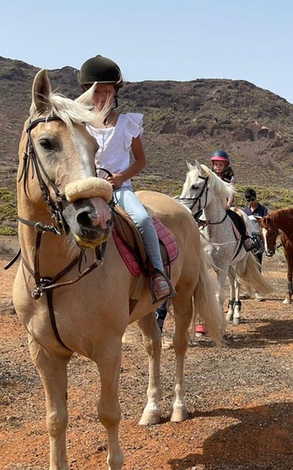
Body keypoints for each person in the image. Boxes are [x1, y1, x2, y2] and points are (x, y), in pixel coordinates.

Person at [78, 55, 173, 300]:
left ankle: (157, 272)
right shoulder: (80, 124)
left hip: (118, 189)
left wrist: (120, 178)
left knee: (141, 218)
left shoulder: (127, 124)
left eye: (107, 91)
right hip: (87, 188)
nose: (102, 97)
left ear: (115, 92)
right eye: (97, 92)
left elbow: (141, 161)